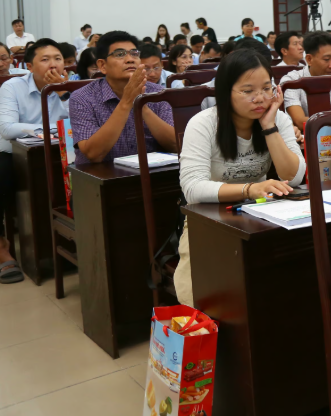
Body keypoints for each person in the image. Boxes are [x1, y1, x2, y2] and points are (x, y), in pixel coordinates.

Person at [175, 49, 304, 305]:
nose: (260, 98)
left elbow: (295, 176)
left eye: (266, 88)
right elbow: (192, 188)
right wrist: (249, 189)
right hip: (209, 217)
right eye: (247, 91)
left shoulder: (277, 119)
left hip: (261, 212)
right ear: (225, 92)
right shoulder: (203, 124)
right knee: (203, 289)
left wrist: (269, 127)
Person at [0, 39, 73, 284]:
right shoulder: (12, 87)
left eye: (58, 59)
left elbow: (81, 123)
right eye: (45, 59)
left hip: (57, 154)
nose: (54, 64)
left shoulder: (71, 86)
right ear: (29, 66)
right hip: (12, 154)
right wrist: (51, 129)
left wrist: (63, 94)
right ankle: (2, 246)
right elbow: (7, 128)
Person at [69, 31, 176, 164]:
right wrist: (126, 102)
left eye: (134, 54)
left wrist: (141, 105)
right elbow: (93, 154)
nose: (130, 59)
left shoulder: (158, 93)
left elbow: (175, 145)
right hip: (101, 175)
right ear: (102, 65)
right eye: (120, 54)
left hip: (152, 172)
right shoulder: (82, 97)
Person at [279, 31, 331, 140]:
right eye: (326, 59)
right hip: (306, 139)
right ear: (309, 59)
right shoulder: (292, 81)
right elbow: (300, 121)